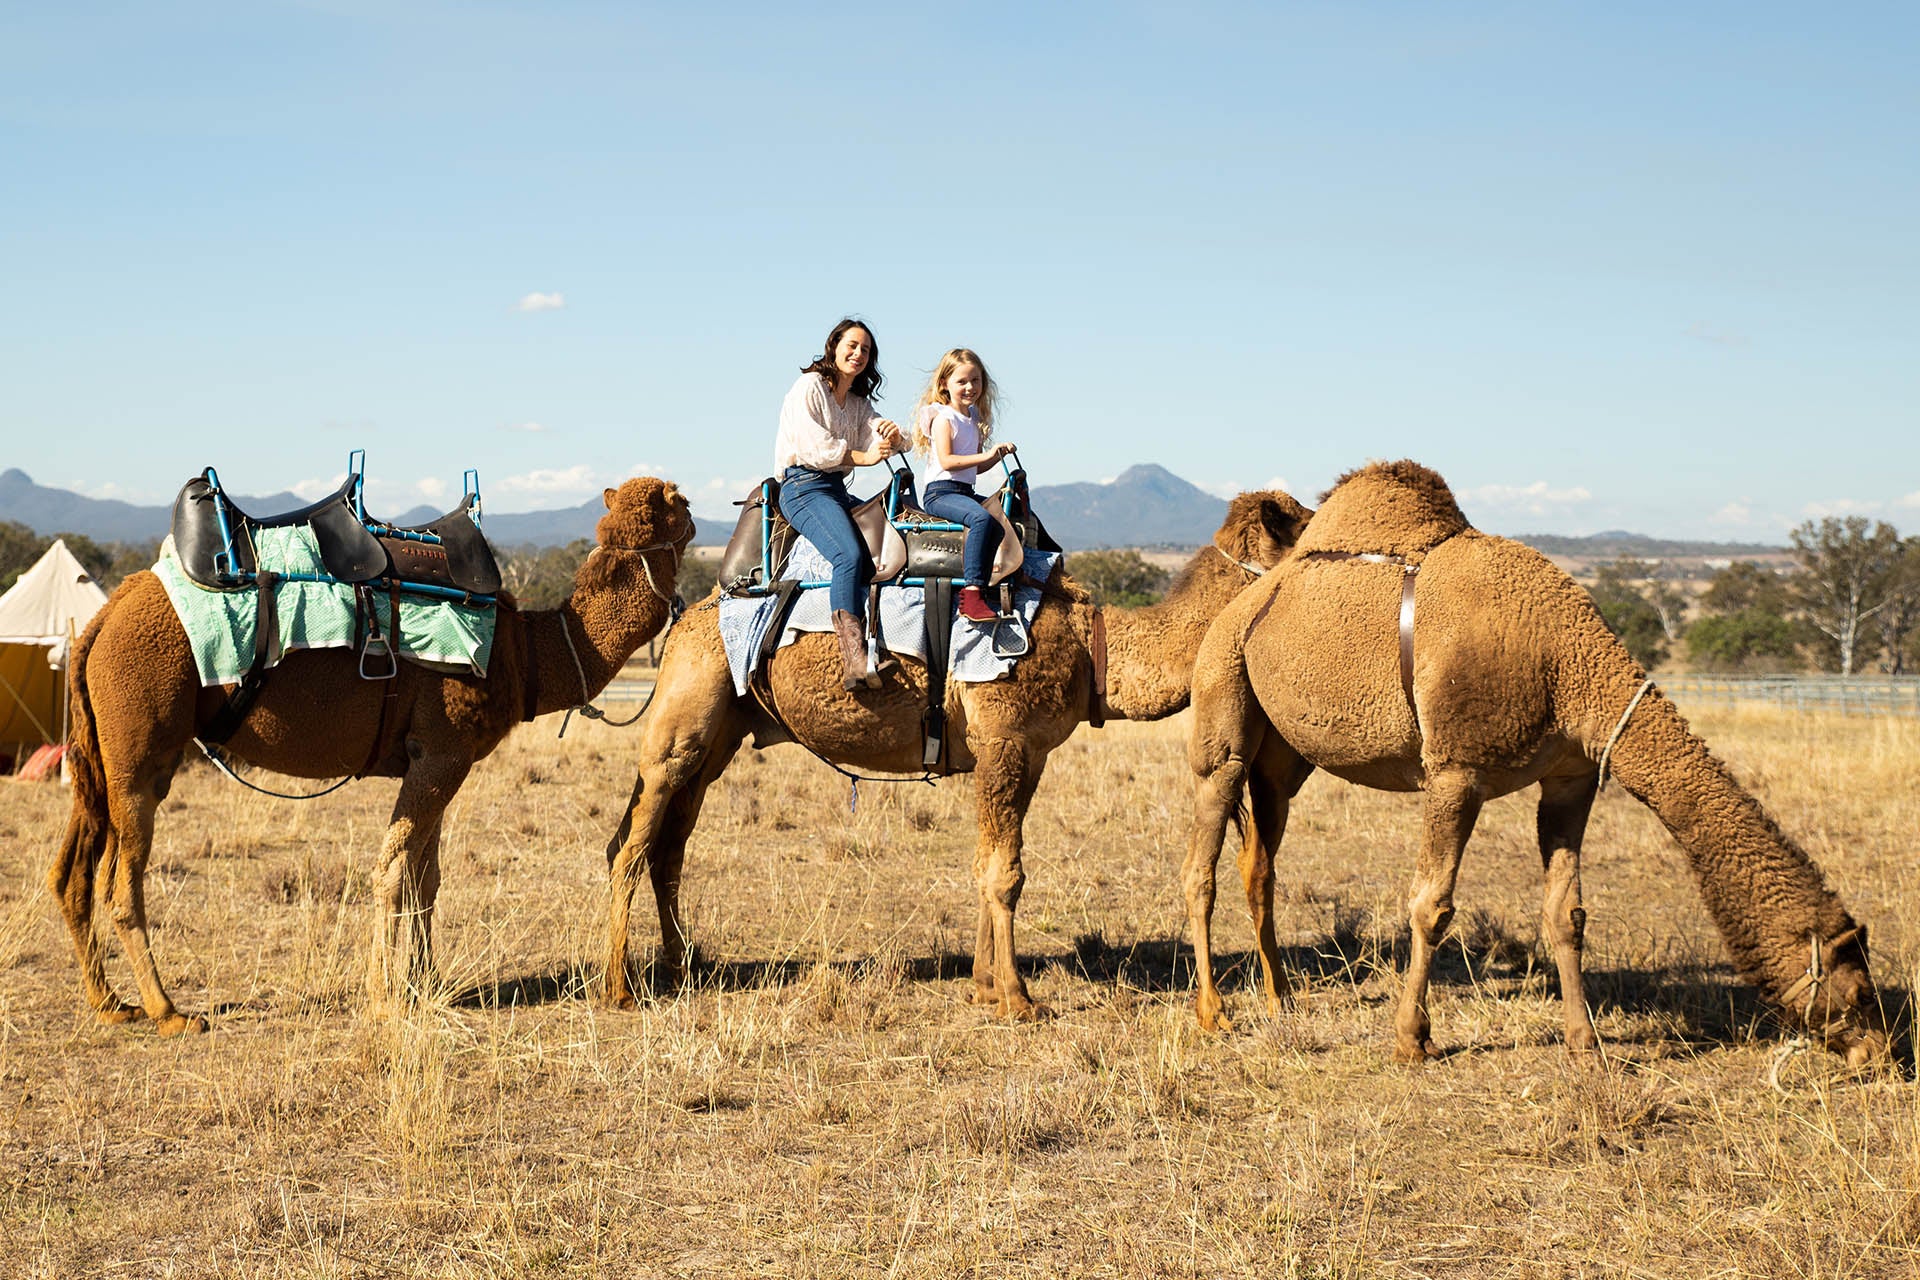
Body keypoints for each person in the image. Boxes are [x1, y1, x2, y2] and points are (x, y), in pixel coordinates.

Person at [774, 317, 906, 690]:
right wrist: (864, 458)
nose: (858, 354)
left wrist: (893, 434)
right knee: (847, 556)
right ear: (833, 346)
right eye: (852, 345)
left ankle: (878, 641)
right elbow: (814, 449)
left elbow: (881, 432)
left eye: (865, 349)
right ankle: (852, 660)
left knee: (883, 542)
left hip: (833, 488)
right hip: (803, 486)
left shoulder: (858, 403)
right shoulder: (809, 387)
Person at [912, 348, 1017, 622]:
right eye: (962, 381)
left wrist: (997, 457)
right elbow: (947, 461)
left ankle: (986, 580)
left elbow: (976, 467)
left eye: (976, 380)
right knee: (981, 519)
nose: (970, 387)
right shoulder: (944, 418)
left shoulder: (973, 420)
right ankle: (970, 596)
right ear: (945, 383)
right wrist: (987, 454)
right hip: (940, 492)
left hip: (963, 491)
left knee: (998, 521)